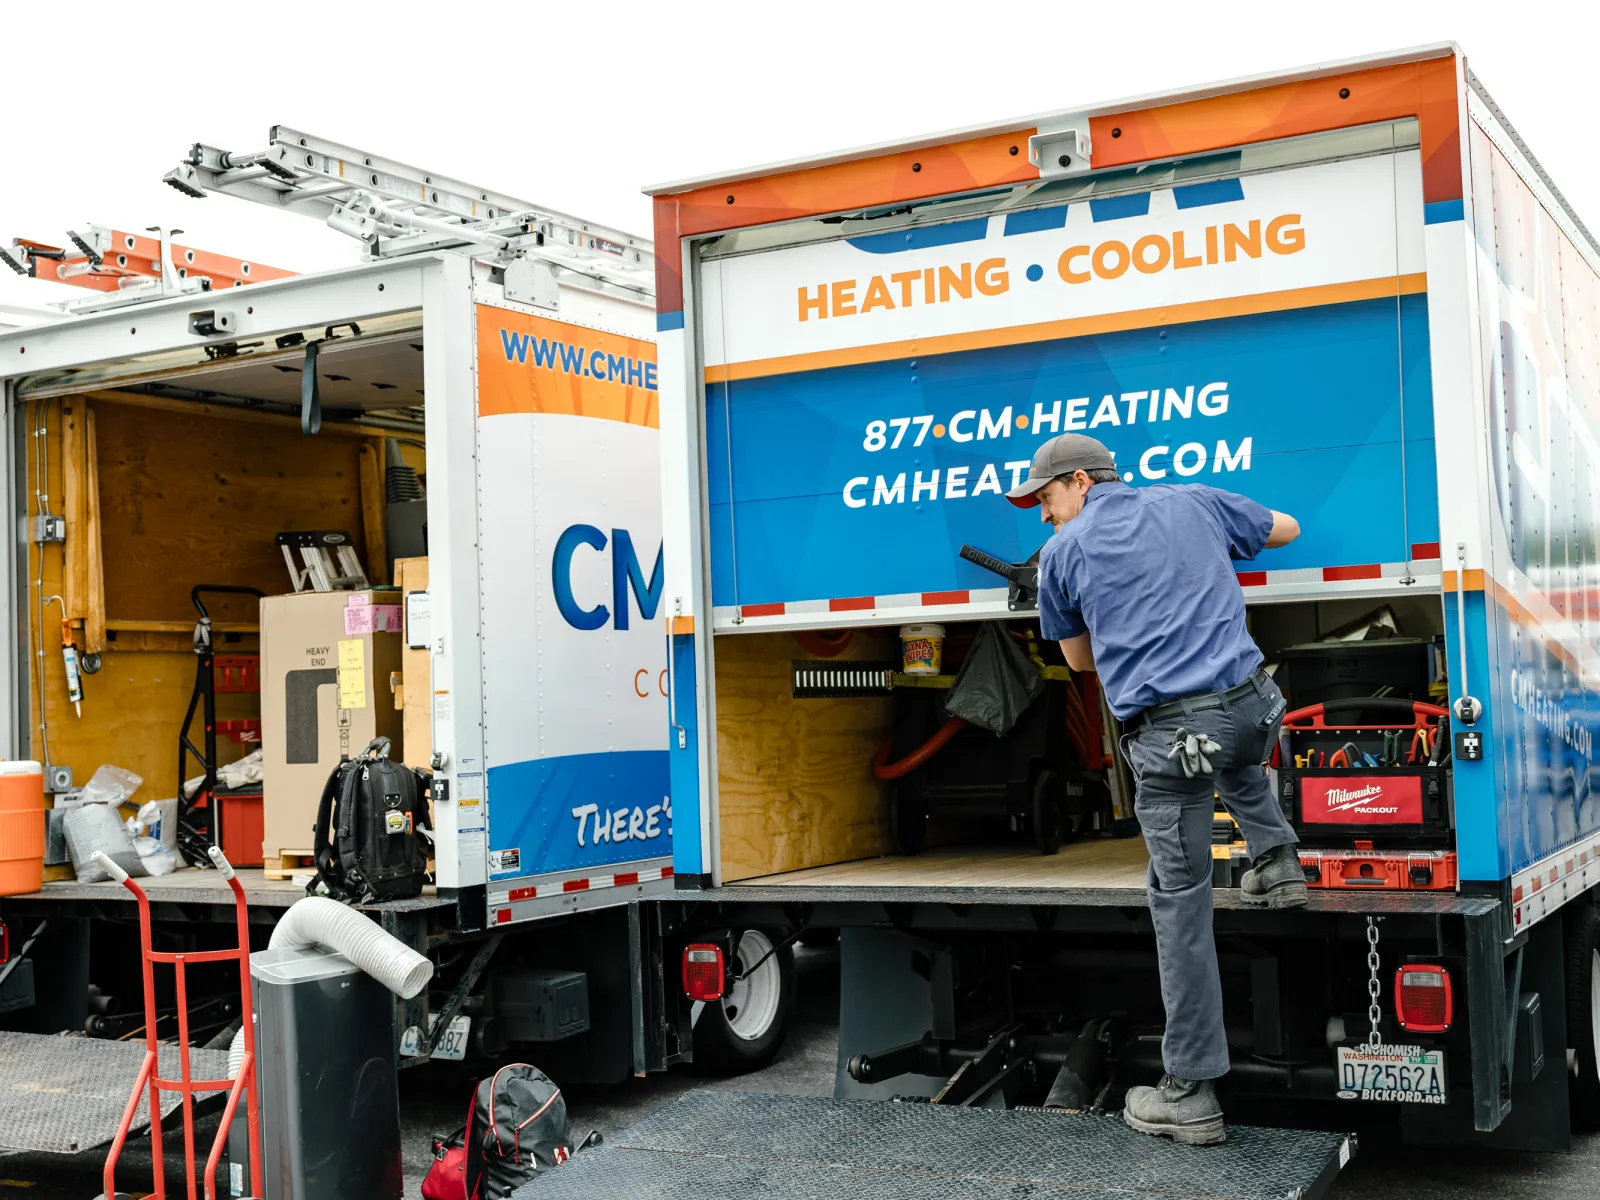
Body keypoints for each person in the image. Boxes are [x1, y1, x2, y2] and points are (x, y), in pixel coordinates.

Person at [1004, 432, 1304, 1147]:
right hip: (1256, 711)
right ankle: (1277, 859)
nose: (1044, 517)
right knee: (1229, 739)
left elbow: (1079, 663)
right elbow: (1287, 528)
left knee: (1182, 908)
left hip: (1176, 739)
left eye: (1046, 499)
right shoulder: (1193, 499)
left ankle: (1190, 1092)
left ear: (1079, 482)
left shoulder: (1064, 557)